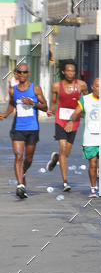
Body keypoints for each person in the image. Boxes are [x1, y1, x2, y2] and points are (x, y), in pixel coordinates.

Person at [0, 63, 48, 199]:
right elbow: (11, 103)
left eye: (24, 72)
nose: (22, 75)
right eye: (19, 72)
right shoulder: (12, 90)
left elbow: (45, 107)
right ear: (16, 73)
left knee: (28, 158)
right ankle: (20, 185)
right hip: (18, 129)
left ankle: (23, 172)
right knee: (18, 157)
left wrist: (32, 103)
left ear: (28, 73)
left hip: (32, 128)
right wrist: (6, 114)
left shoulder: (35, 88)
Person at [46, 60, 88, 191]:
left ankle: (56, 158)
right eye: (68, 71)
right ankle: (65, 182)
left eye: (73, 71)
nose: (71, 73)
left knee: (66, 152)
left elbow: (88, 100)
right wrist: (51, 110)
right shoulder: (56, 86)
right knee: (63, 148)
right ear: (63, 72)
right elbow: (53, 102)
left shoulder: (81, 85)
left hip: (74, 120)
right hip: (61, 120)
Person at [65, 77, 101, 197]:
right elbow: (76, 112)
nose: (99, 89)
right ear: (92, 87)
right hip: (90, 137)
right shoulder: (85, 99)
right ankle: (93, 189)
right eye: (97, 86)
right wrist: (71, 121)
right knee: (93, 164)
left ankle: (99, 176)